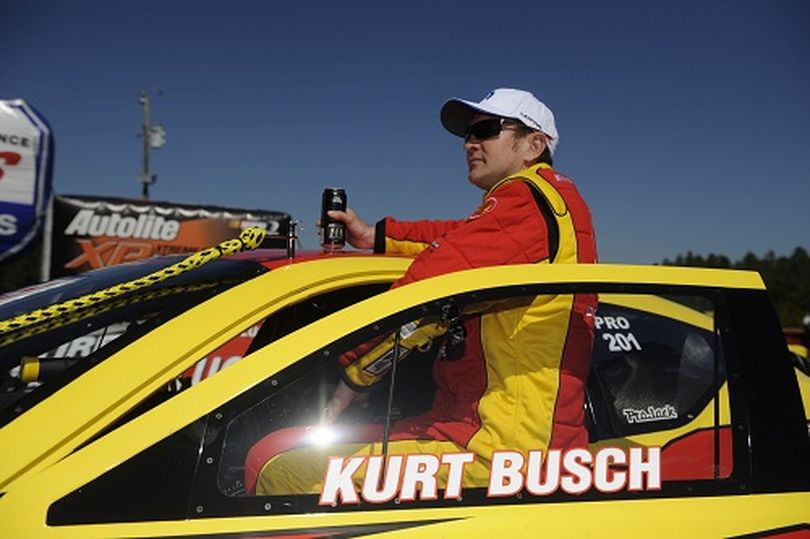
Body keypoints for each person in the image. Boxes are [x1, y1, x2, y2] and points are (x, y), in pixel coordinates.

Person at [246, 88, 598, 496]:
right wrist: (376, 236)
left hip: (502, 456)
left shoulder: (525, 200)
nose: (469, 143)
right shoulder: (543, 205)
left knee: (281, 470)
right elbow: (457, 239)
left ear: (534, 145)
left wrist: (350, 379)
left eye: (485, 130)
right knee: (283, 449)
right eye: (467, 134)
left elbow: (424, 294)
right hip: (491, 438)